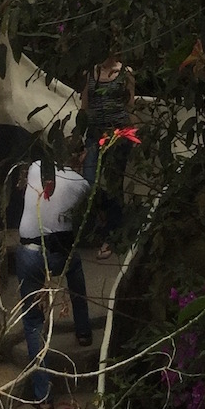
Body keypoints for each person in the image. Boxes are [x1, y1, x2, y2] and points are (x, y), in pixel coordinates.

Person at [16, 151, 94, 409]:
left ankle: (43, 397)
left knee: (33, 322)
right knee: (76, 270)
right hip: (60, 255)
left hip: (29, 254)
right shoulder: (82, 185)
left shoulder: (36, 167)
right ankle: (83, 332)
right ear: (80, 159)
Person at [81, 55, 134, 259]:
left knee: (114, 185)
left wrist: (133, 135)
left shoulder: (125, 73)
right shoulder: (91, 73)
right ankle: (106, 219)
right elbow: (84, 107)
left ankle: (110, 236)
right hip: (94, 134)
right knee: (88, 182)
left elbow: (130, 105)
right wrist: (79, 139)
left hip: (118, 134)